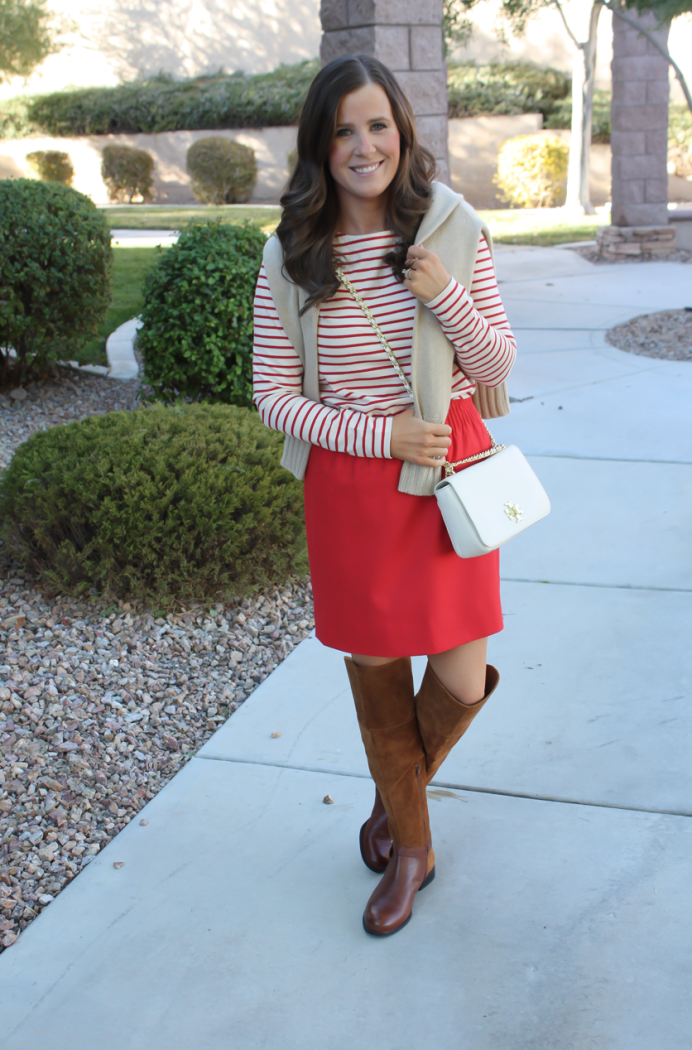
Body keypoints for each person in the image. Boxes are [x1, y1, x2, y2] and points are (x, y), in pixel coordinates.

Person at [253, 54, 516, 937]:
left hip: (449, 475)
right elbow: (274, 396)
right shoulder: (291, 254)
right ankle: (412, 849)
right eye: (342, 132)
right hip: (355, 492)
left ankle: (395, 795)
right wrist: (379, 435)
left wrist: (446, 299)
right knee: (375, 676)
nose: (363, 147)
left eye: (377, 126)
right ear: (319, 149)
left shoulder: (454, 229)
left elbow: (497, 369)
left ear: (402, 132)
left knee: (462, 674)